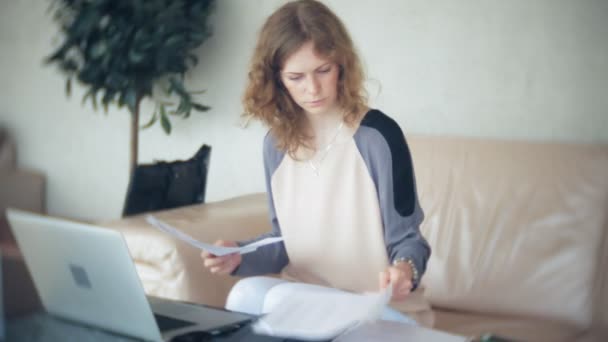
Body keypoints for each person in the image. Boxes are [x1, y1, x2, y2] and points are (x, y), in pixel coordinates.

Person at [201, 0, 431, 325]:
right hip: (305, 302)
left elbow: (409, 240)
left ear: (342, 66)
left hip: (379, 310)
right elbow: (285, 243)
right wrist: (239, 256)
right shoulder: (276, 146)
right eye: (296, 77)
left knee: (274, 298)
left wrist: (404, 270)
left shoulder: (378, 136)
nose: (313, 89)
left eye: (323, 70)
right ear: (277, 79)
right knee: (244, 294)